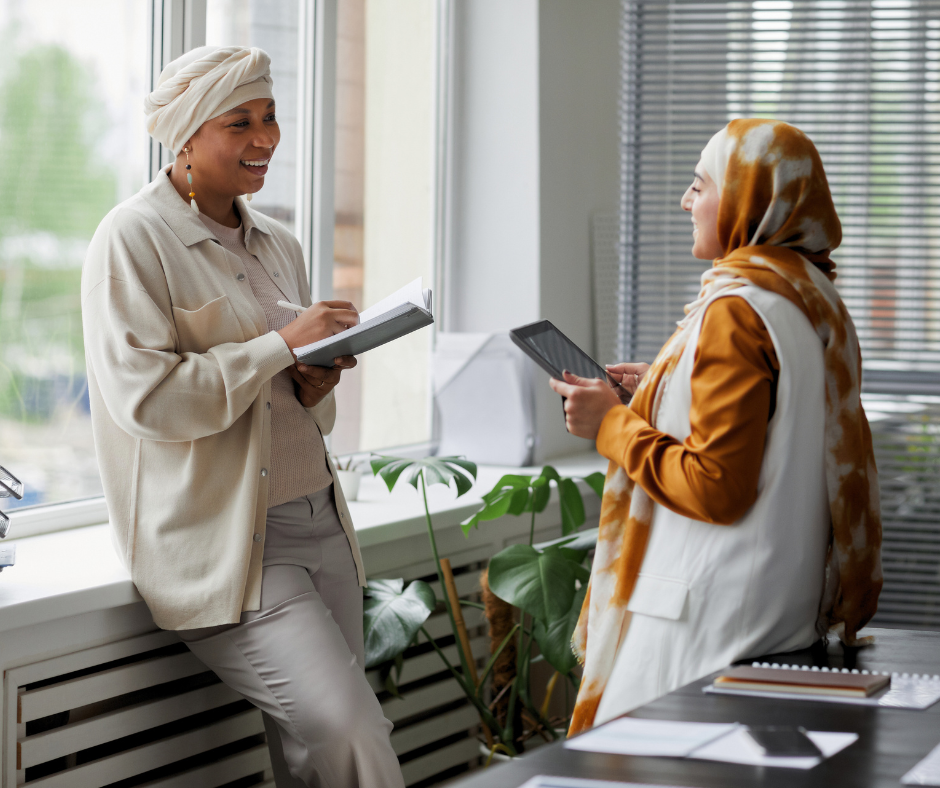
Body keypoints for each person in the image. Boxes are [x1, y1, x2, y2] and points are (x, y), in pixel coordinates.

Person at [81, 46, 404, 787]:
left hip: (322, 520)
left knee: (317, 759)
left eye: (271, 117)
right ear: (186, 134)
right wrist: (278, 346)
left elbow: (278, 396)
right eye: (241, 122)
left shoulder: (278, 241)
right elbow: (146, 399)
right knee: (350, 735)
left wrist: (313, 379)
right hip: (236, 545)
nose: (266, 138)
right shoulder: (131, 239)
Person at [551, 118, 883, 733]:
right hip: (778, 617)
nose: (686, 200)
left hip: (701, 633)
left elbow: (715, 485)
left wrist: (609, 425)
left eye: (700, 185)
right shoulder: (810, 297)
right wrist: (665, 385)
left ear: (746, 200)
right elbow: (786, 420)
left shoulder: (736, 309)